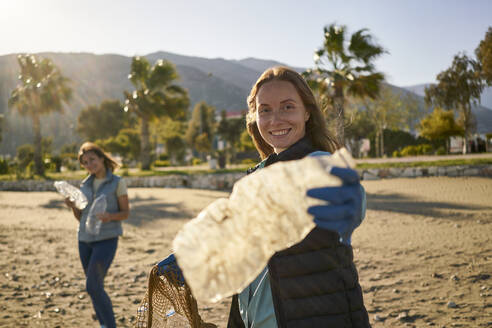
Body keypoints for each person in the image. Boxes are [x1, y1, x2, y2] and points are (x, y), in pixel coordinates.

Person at [160, 66, 370, 328]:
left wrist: (349, 198)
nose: (275, 119)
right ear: (254, 117)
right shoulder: (256, 177)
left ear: (307, 112)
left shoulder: (317, 163)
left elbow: (348, 197)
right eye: (265, 110)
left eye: (287, 107)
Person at [65, 142, 130, 328]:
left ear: (102, 158)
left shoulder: (118, 183)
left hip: (107, 240)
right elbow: (81, 218)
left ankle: (109, 326)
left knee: (92, 286)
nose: (89, 165)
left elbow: (125, 213)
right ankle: (104, 324)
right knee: (95, 288)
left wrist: (110, 216)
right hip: (84, 240)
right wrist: (73, 208)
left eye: (92, 159)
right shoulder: (84, 185)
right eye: (85, 162)